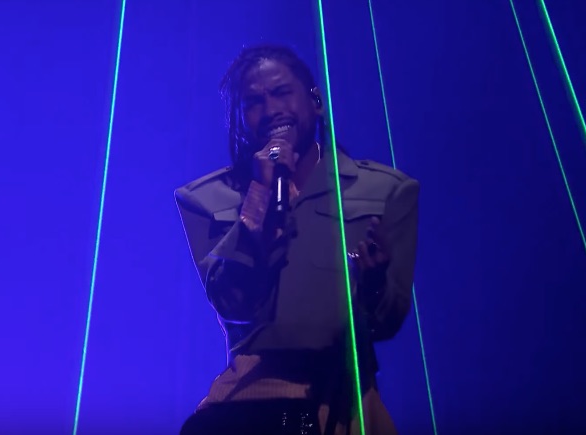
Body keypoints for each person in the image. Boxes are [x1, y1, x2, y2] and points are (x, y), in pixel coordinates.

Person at [175, 43, 419, 435]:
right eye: (253, 102)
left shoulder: (385, 191)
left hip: (346, 400)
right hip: (253, 401)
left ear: (315, 102)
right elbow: (234, 303)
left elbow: (388, 323)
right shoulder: (206, 200)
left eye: (281, 92)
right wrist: (260, 196)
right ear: (239, 122)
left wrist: (374, 283)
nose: (271, 110)